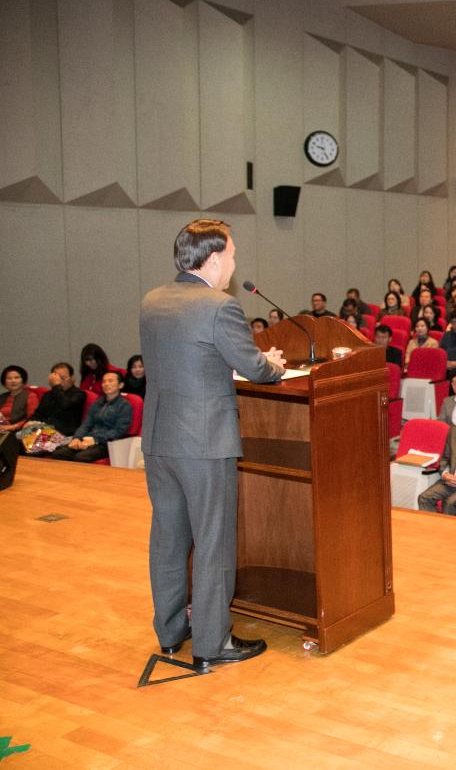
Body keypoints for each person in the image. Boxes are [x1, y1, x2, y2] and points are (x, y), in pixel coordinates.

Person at [139, 218, 286, 670]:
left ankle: (170, 632)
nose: (235, 264)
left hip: (160, 438)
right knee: (213, 542)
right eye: (234, 255)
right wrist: (274, 362)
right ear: (215, 257)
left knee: (168, 538)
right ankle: (212, 642)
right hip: (204, 443)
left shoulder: (153, 301)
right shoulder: (218, 306)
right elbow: (254, 368)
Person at [50, 370, 132, 463]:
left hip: (106, 443)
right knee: (59, 453)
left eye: (110, 381)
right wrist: (77, 438)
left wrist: (95, 439)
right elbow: (86, 423)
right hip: (88, 439)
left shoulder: (124, 406)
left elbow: (118, 431)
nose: (106, 384)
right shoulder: (98, 403)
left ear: (120, 385)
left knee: (81, 457)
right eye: (104, 381)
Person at [18, 363, 85, 453]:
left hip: (64, 434)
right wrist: (28, 423)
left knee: (31, 449)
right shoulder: (48, 395)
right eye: (56, 379)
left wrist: (56, 386)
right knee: (14, 441)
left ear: (72, 378)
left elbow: (65, 404)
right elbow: (38, 414)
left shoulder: (78, 394)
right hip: (44, 432)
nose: (59, 381)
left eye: (62, 378)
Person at [0, 365, 34, 434]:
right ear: (4, 382)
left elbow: (33, 418)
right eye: (9, 378)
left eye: (17, 378)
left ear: (23, 380)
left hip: (21, 433)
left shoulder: (31, 396)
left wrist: (13, 426)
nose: (13, 381)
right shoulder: (2, 397)